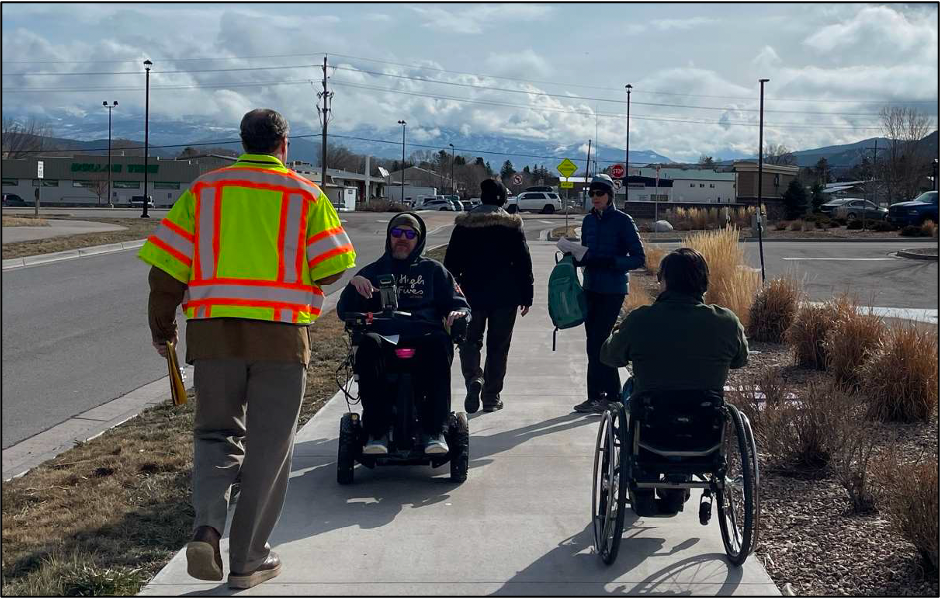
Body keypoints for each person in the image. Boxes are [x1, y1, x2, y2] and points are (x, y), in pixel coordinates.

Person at [140, 108, 356, 590]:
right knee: (270, 447)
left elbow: (166, 269)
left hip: (214, 335)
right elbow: (331, 267)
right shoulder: (307, 194)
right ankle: (248, 559)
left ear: (242, 142)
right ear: (284, 145)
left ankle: (207, 528)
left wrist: (162, 327)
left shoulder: (204, 191)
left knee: (216, 435)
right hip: (281, 337)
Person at [600, 247, 749, 512]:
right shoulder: (726, 322)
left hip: (652, 420)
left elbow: (610, 357)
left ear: (665, 281)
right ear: (703, 282)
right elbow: (739, 360)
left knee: (629, 390)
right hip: (705, 424)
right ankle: (678, 481)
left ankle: (643, 475)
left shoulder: (641, 320)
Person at [337, 212, 470, 455]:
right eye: (397, 233)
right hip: (383, 341)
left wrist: (459, 314)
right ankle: (376, 431)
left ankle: (434, 430)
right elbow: (344, 310)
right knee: (367, 343)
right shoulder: (372, 271)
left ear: (418, 240)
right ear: (389, 237)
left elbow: (458, 303)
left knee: (440, 341)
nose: (402, 238)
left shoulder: (434, 271)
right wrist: (354, 287)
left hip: (425, 339)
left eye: (410, 234)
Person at [444, 179, 534, 413]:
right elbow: (523, 262)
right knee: (498, 347)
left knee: (469, 342)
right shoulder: (512, 226)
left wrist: (449, 295)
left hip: (471, 294)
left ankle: (474, 378)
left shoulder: (464, 226)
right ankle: (492, 397)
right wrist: (527, 294)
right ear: (503, 199)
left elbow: (450, 264)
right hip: (506, 295)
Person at [572, 173, 646, 414]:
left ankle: (611, 395)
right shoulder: (588, 221)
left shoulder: (623, 221)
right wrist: (574, 256)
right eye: (591, 193)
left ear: (610, 196)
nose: (595, 197)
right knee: (592, 343)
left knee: (600, 340)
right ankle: (596, 396)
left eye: (599, 193)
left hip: (613, 289)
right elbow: (585, 251)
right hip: (591, 286)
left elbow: (638, 258)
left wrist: (611, 262)